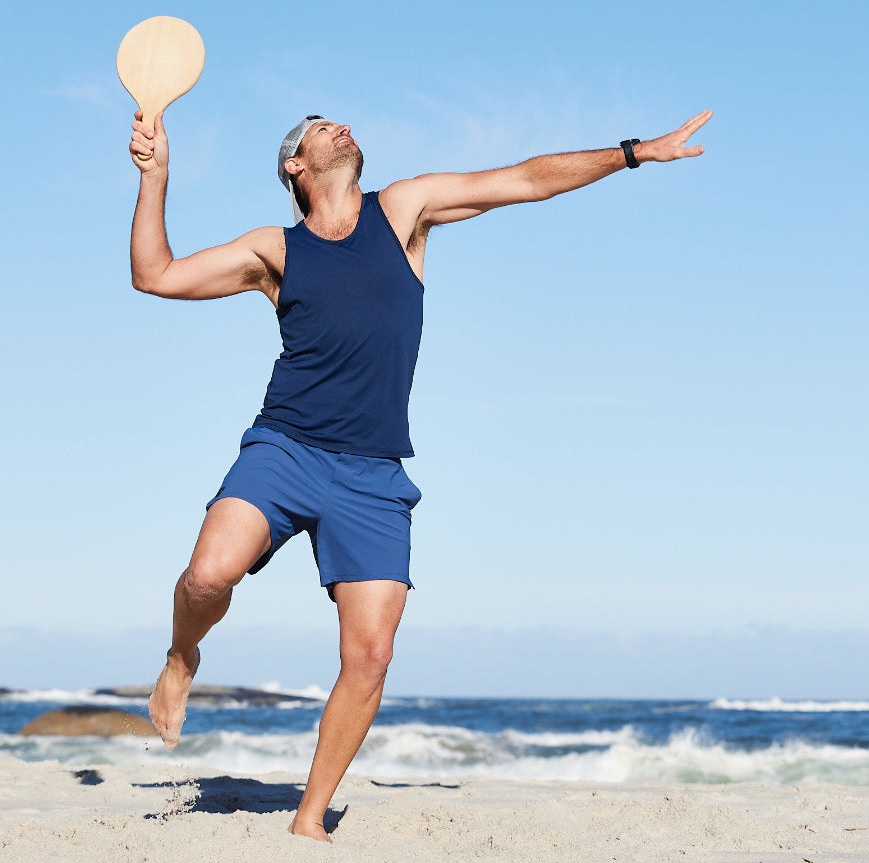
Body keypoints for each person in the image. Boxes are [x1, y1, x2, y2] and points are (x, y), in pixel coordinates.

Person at [128, 105, 712, 840]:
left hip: (372, 471)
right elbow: (154, 276)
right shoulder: (273, 248)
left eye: (341, 121)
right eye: (318, 127)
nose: (338, 127)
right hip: (286, 447)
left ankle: (309, 820)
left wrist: (633, 153)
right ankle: (183, 657)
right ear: (294, 167)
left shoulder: (403, 210)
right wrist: (156, 177)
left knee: (370, 656)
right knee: (208, 576)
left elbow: (526, 181)